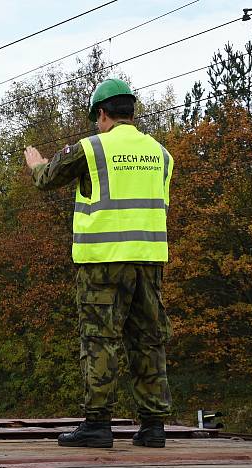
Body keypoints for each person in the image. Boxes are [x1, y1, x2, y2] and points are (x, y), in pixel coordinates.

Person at [23, 78, 174, 448]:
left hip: (103, 262)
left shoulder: (91, 149)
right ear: (132, 113)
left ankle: (98, 424)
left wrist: (37, 163)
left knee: (100, 339)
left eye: (97, 119)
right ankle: (153, 426)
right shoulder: (161, 154)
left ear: (102, 114)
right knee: (148, 340)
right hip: (149, 260)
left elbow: (46, 179)